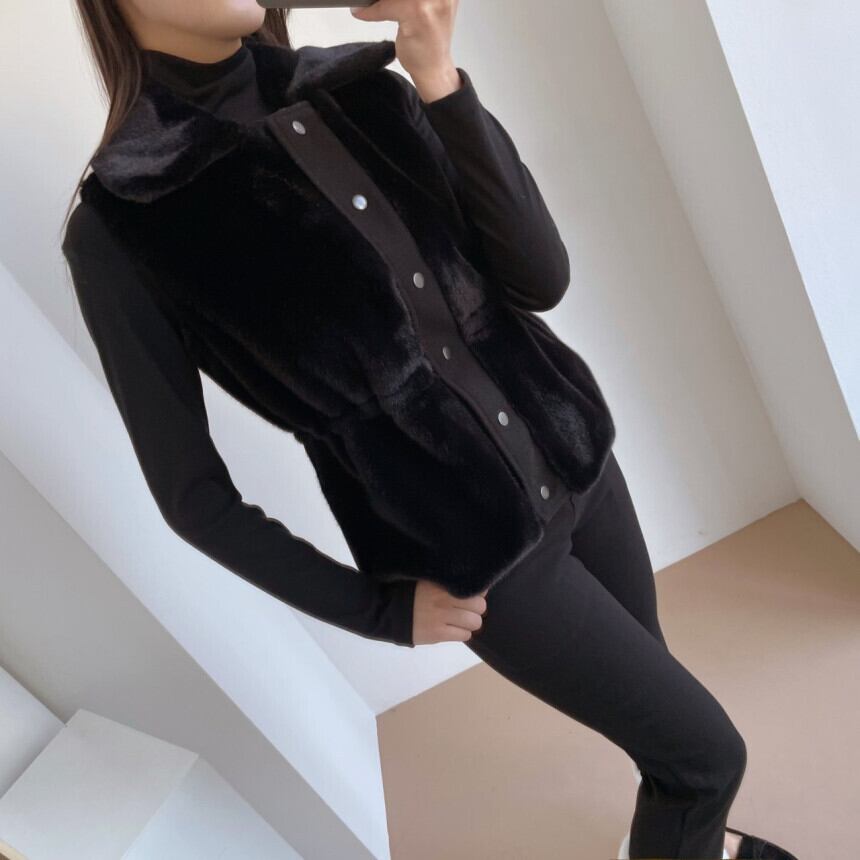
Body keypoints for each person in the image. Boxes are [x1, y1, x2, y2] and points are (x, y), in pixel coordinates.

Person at [60, 1, 797, 858]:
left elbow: (541, 278)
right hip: (486, 562)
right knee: (709, 757)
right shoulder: (123, 220)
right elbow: (194, 500)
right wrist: (379, 610)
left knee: (663, 723)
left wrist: (440, 79)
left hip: (579, 459)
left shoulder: (365, 89)